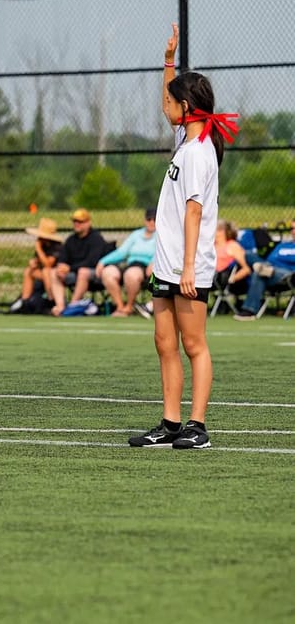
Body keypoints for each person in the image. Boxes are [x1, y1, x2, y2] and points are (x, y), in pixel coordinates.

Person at [130, 23, 238, 450]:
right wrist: (168, 61)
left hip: (187, 265)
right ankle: (171, 423)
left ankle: (198, 425)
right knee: (164, 342)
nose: (168, 106)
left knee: (194, 344)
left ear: (187, 106)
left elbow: (194, 213)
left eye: (175, 101)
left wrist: (190, 267)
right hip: (168, 262)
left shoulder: (198, 151)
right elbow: (165, 108)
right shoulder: (184, 138)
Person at [48, 207, 112, 316]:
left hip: (94, 273)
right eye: (75, 221)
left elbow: (93, 261)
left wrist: (70, 268)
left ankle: (72, 305)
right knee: (54, 272)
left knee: (83, 271)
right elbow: (63, 258)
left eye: (80, 222)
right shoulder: (71, 240)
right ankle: (60, 306)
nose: (77, 224)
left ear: (88, 223)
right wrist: (61, 267)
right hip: (73, 272)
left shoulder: (96, 238)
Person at [95, 208, 157, 317]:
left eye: (155, 219)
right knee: (108, 272)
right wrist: (102, 262)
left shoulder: (163, 235)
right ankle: (120, 306)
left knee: (131, 274)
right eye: (149, 219)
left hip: (148, 268)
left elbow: (164, 252)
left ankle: (129, 307)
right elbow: (122, 252)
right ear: (145, 220)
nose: (152, 222)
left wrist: (154, 262)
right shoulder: (136, 234)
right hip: (130, 264)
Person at [234, 220, 295, 321]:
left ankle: (249, 311)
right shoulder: (282, 245)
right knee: (249, 256)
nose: (293, 231)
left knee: (260, 272)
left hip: (287, 274)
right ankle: (263, 269)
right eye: (292, 228)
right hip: (268, 268)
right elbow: (270, 259)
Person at [8, 218, 63, 313]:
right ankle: (24, 301)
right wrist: (34, 263)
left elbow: (48, 264)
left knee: (46, 271)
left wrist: (38, 249)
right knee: (29, 271)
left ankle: (51, 300)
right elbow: (39, 261)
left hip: (56, 275)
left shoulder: (57, 247)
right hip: (45, 274)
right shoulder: (43, 246)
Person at [213, 219, 251, 310]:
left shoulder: (233, 246)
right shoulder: (210, 245)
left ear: (221, 232)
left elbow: (246, 269)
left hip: (220, 278)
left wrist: (231, 279)